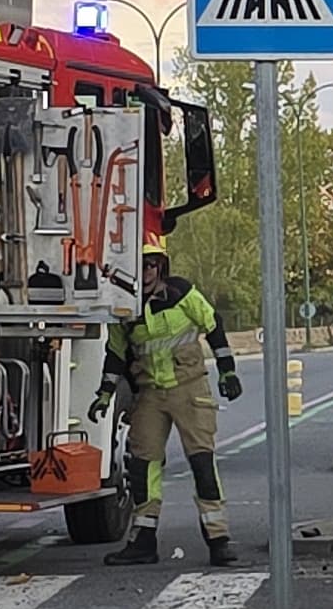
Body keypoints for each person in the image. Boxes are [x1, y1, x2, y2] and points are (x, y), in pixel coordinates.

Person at [105, 237, 245, 565]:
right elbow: (115, 353)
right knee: (142, 465)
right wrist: (104, 393)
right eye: (139, 265)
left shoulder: (181, 293)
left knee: (202, 463)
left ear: (161, 266)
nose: (147, 270)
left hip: (189, 389)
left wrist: (228, 372)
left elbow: (213, 325)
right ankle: (143, 541)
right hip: (151, 394)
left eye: (151, 264)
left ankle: (218, 540)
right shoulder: (123, 305)